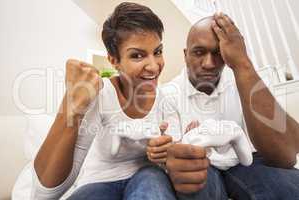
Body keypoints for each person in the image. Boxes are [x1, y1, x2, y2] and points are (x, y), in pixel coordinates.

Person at [32, 2, 176, 200]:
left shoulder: (167, 99)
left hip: (148, 176)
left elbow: (176, 165)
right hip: (99, 182)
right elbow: (44, 195)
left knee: (151, 183)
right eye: (137, 55)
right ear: (114, 60)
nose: (153, 66)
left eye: (157, 52)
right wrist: (72, 106)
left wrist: (166, 156)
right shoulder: (100, 95)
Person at [148, 13, 299, 199]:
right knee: (195, 187)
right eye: (198, 52)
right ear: (186, 55)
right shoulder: (167, 94)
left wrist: (242, 63)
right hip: (202, 164)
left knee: (290, 187)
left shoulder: (248, 79)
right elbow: (174, 159)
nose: (209, 64)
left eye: (218, 53)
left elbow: (286, 157)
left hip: (248, 162)